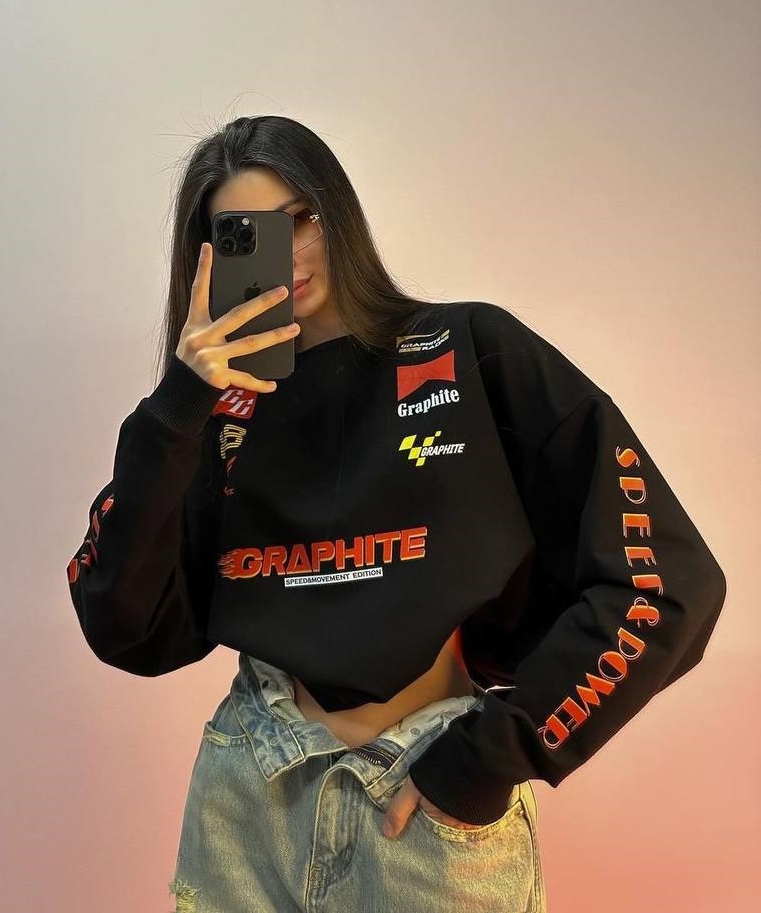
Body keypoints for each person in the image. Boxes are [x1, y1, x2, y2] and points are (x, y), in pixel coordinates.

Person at [66, 115, 727, 913]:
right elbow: (123, 623)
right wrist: (182, 401)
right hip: (248, 800)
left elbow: (668, 581)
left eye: (300, 219)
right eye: (245, 238)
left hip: (426, 807)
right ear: (208, 259)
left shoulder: (469, 349)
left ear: (337, 213)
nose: (286, 256)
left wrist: (487, 760)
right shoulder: (214, 414)